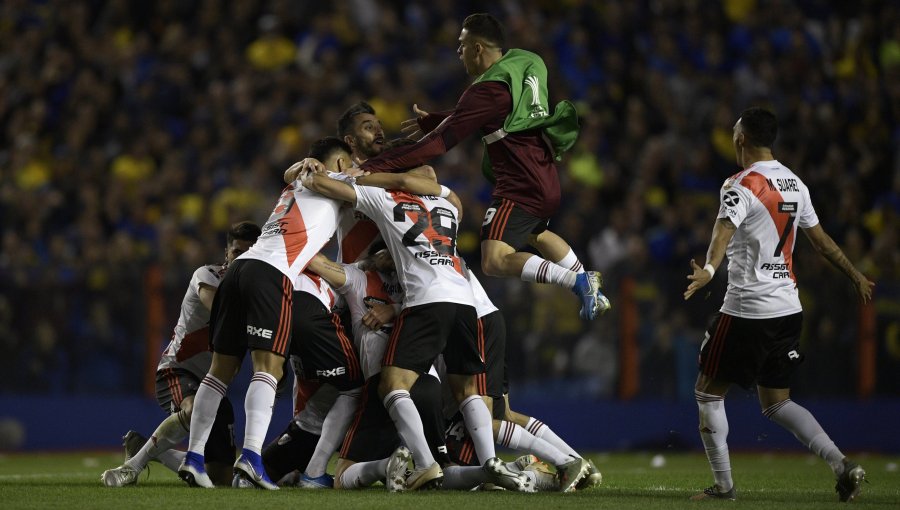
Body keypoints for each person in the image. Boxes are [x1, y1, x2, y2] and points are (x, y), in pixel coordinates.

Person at [359, 13, 609, 321]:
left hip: (520, 184)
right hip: (544, 174)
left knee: (494, 259)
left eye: (462, 45)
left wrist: (372, 166)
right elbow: (492, 110)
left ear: (477, 48)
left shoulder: (484, 91)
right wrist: (438, 119)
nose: (459, 52)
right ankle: (590, 284)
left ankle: (577, 281)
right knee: (537, 233)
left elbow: (436, 146)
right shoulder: (525, 62)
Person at [683, 107, 875, 502]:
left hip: (747, 308)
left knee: (707, 392)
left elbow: (723, 230)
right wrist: (854, 273)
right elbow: (821, 242)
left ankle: (724, 488)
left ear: (741, 140)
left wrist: (708, 268)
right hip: (789, 308)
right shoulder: (795, 184)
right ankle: (841, 464)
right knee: (777, 402)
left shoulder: (741, 183)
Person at [301, 165, 526, 492]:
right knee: (468, 391)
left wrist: (318, 174)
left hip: (426, 301)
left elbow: (337, 187)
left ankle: (423, 464)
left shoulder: (384, 200)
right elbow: (427, 180)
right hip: (464, 302)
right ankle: (488, 462)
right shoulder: (450, 203)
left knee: (391, 385)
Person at [177, 138, 350, 490]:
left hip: (239, 270)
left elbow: (290, 171)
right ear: (342, 163)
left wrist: (302, 163)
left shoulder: (297, 180)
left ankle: (194, 458)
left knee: (219, 372)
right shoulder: (339, 181)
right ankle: (252, 458)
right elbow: (376, 181)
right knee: (268, 368)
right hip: (272, 272)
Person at [100, 221, 261, 487]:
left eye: (248, 253)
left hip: (215, 386)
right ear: (226, 253)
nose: (241, 259)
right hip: (178, 370)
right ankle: (131, 467)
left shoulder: (256, 295)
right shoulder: (207, 275)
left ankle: (151, 450)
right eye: (236, 252)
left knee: (219, 479)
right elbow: (218, 310)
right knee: (194, 406)